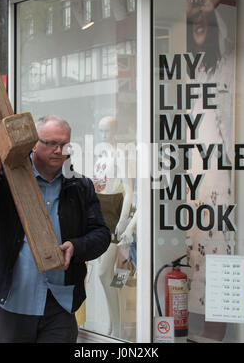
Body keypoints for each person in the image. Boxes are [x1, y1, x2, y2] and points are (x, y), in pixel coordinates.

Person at [0, 115, 111, 343]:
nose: (58, 150)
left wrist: (76, 247)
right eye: (51, 143)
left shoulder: (79, 186)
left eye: (64, 144)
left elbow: (101, 234)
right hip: (13, 299)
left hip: (60, 302)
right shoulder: (6, 180)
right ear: (34, 143)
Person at [185, 0, 237, 340]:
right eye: (192, 18)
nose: (197, 22)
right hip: (196, 180)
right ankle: (207, 331)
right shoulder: (194, 71)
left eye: (203, 14)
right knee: (201, 262)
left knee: (221, 257)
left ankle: (220, 332)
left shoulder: (229, 66)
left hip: (222, 179)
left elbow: (233, 128)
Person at [92, 116, 134, 338]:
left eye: (107, 131)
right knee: (105, 275)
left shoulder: (120, 155)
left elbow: (129, 190)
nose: (103, 135)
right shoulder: (101, 155)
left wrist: (123, 219)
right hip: (99, 212)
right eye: (100, 131)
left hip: (113, 213)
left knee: (102, 273)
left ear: (115, 131)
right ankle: (114, 324)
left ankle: (117, 326)